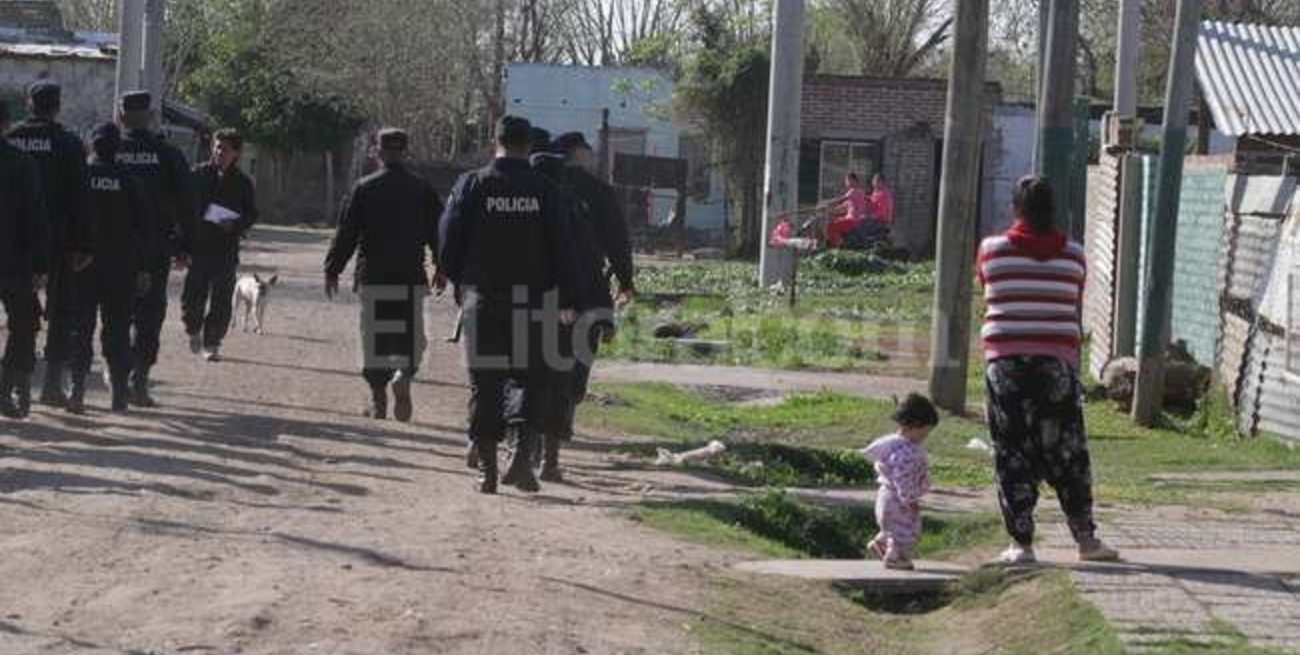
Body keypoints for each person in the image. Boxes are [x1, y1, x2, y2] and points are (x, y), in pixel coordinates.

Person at [976, 175, 1119, 565]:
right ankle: (1086, 542)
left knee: (1012, 451)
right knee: (1067, 451)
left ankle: (1021, 545)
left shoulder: (991, 250)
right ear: (1053, 209)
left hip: (1005, 364)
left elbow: (986, 287)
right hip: (1056, 366)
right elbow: (1074, 299)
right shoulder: (1073, 255)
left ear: (1015, 209)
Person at [439, 115, 579, 494]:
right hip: (533, 300)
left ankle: (487, 470)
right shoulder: (546, 190)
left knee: (485, 384)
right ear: (529, 145)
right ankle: (520, 459)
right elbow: (564, 247)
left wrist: (459, 280)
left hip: (482, 298)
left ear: (494, 141)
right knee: (530, 380)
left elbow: (448, 239)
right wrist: (567, 295)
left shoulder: (472, 184)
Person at [535, 130, 634, 482]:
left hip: (530, 295)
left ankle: (529, 441)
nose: (589, 156)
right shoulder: (593, 193)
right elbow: (617, 240)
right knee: (573, 366)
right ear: (573, 153)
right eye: (585, 150)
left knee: (530, 369)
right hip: (587, 292)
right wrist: (625, 278)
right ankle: (558, 430)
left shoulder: (528, 192)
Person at [324, 128, 443, 423]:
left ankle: (379, 395)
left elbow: (347, 233)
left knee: (375, 338)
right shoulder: (422, 189)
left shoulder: (363, 187)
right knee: (412, 335)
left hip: (373, 275)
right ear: (405, 152)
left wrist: (333, 268)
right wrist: (442, 267)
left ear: (377, 152)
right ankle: (404, 373)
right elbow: (439, 233)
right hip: (410, 275)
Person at [6, 80, 93, 408]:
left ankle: (17, 383)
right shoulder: (69, 144)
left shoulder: (11, 138)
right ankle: (51, 386)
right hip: (60, 243)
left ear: (29, 104)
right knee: (61, 314)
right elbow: (82, 199)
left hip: (13, 246)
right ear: (57, 106)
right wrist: (85, 245)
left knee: (20, 315)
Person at [66, 123, 155, 414]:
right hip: (121, 269)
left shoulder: (81, 177)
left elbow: (66, 220)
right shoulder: (130, 180)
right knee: (116, 331)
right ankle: (118, 396)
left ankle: (77, 392)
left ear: (92, 145)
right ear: (118, 148)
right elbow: (145, 229)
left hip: (83, 267)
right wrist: (143, 269)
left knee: (81, 329)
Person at [115, 91, 196, 407]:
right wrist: (186, 245)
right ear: (150, 117)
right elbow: (188, 203)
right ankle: (139, 380)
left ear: (121, 117)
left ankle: (119, 376)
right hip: (153, 249)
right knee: (149, 314)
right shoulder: (167, 153)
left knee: (116, 312)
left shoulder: (107, 150)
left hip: (111, 248)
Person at [182, 129, 258, 362]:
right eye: (216, 147)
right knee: (193, 297)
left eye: (224, 148)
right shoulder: (197, 175)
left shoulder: (243, 183)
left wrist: (235, 225)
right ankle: (193, 328)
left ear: (236, 152)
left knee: (222, 298)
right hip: (198, 246)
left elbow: (252, 214)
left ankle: (212, 343)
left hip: (225, 248)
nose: (218, 152)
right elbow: (183, 207)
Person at [0, 102, 50, 419]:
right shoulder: (21, 163)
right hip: (13, 262)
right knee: (25, 323)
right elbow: (36, 217)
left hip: (14, 261)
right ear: (5, 124)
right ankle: (7, 389)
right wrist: (41, 265)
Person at [862, 393, 937, 570]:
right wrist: (909, 500)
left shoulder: (892, 444)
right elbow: (903, 478)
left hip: (886, 496)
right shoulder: (906, 452)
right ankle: (896, 558)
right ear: (914, 426)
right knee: (905, 530)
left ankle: (880, 545)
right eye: (925, 431)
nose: (926, 436)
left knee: (893, 528)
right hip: (898, 499)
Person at [824, 173, 868, 248]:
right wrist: (830, 210)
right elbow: (843, 206)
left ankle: (838, 246)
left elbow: (841, 199)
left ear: (853, 180)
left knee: (830, 227)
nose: (846, 183)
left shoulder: (855, 191)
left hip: (853, 220)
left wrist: (827, 203)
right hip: (849, 218)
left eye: (847, 180)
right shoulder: (852, 192)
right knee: (833, 222)